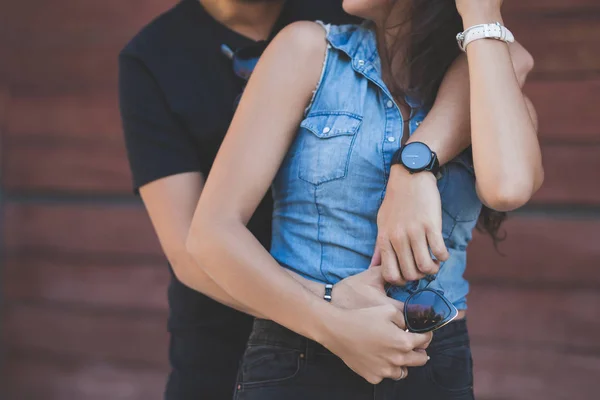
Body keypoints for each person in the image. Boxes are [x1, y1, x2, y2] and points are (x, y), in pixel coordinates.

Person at [185, 0, 542, 399]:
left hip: (433, 362)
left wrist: (413, 168)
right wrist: (332, 321)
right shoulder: (308, 51)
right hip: (302, 355)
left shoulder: (487, 88)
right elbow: (211, 234)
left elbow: (508, 187)